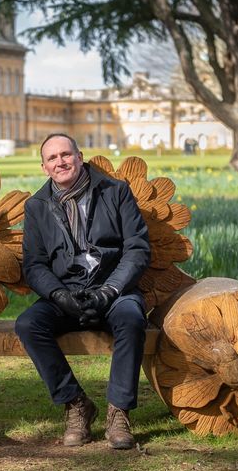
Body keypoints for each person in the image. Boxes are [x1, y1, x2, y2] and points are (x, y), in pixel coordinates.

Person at [15, 133, 150, 450]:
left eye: (66, 154)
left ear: (80, 156)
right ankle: (76, 404)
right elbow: (34, 265)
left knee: (131, 319)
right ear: (44, 167)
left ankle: (119, 412)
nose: (60, 162)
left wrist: (111, 289)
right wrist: (59, 295)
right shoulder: (37, 206)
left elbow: (137, 250)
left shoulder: (115, 192)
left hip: (114, 288)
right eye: (52, 158)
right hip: (67, 292)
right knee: (28, 324)